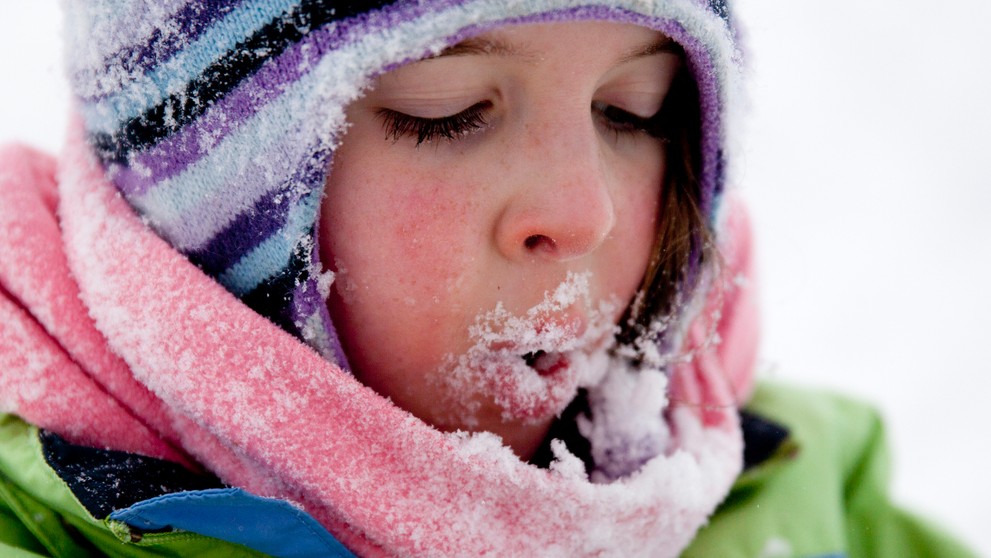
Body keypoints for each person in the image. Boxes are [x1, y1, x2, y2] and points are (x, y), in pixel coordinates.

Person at [0, 1, 975, 557]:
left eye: (633, 110)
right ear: (213, 193)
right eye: (448, 109)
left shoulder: (805, 489)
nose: (584, 212)